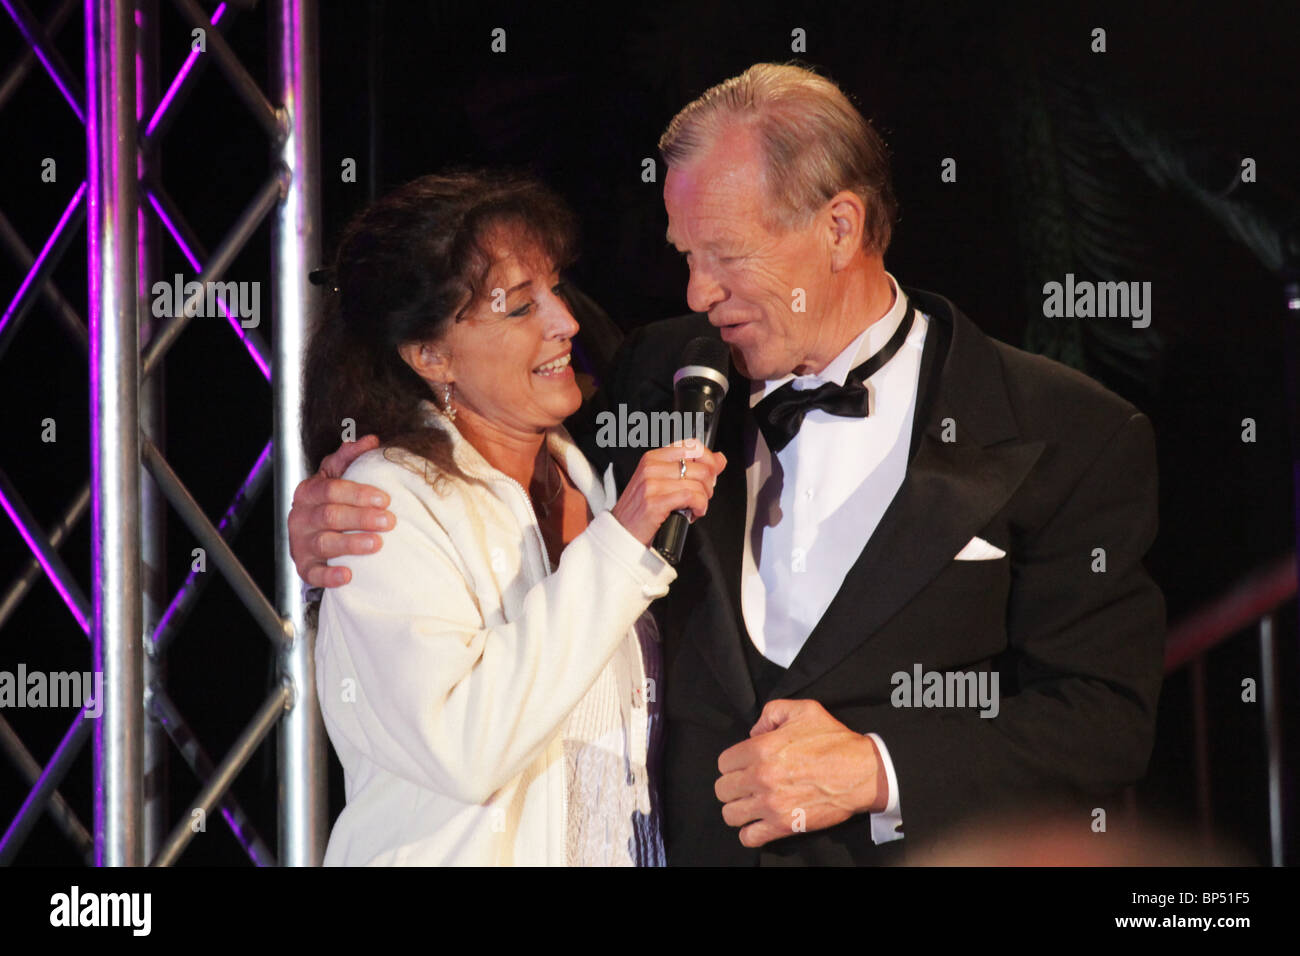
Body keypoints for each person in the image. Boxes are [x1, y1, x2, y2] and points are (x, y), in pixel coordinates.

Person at [292, 64, 1164, 866]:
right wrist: (340, 502)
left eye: (726, 256)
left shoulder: (1067, 430)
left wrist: (877, 768)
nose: (697, 292)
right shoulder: (658, 372)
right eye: (685, 256)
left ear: (839, 227)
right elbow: (484, 479)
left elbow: (1102, 720)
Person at [298, 170, 726, 865]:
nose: (566, 322)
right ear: (429, 354)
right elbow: (467, 745)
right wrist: (619, 545)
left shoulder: (587, 473)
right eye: (521, 307)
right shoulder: (387, 502)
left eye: (555, 288)